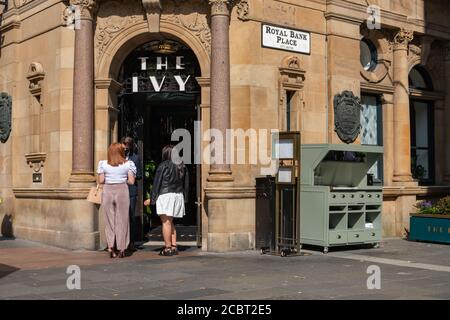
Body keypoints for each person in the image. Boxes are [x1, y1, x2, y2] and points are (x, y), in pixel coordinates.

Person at [144, 145, 189, 256]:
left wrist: (152, 199)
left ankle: (167, 248)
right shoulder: (182, 166)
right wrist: (185, 198)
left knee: (166, 222)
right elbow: (186, 185)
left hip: (165, 196)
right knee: (170, 221)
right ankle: (173, 246)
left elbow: (156, 184)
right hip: (178, 195)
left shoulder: (163, 165)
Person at [97, 143, 136, 258]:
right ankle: (122, 248)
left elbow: (101, 180)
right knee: (123, 220)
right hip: (122, 190)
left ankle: (110, 247)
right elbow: (132, 181)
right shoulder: (128, 164)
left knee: (109, 220)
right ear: (121, 151)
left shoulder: (103, 164)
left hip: (108, 190)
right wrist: (121, 179)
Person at [120, 136, 142, 252]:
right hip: (118, 190)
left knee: (131, 216)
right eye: (124, 145)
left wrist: (129, 175)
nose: (125, 148)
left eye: (127, 146)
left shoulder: (135, 158)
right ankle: (119, 242)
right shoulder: (116, 157)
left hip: (130, 190)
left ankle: (131, 242)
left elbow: (139, 175)